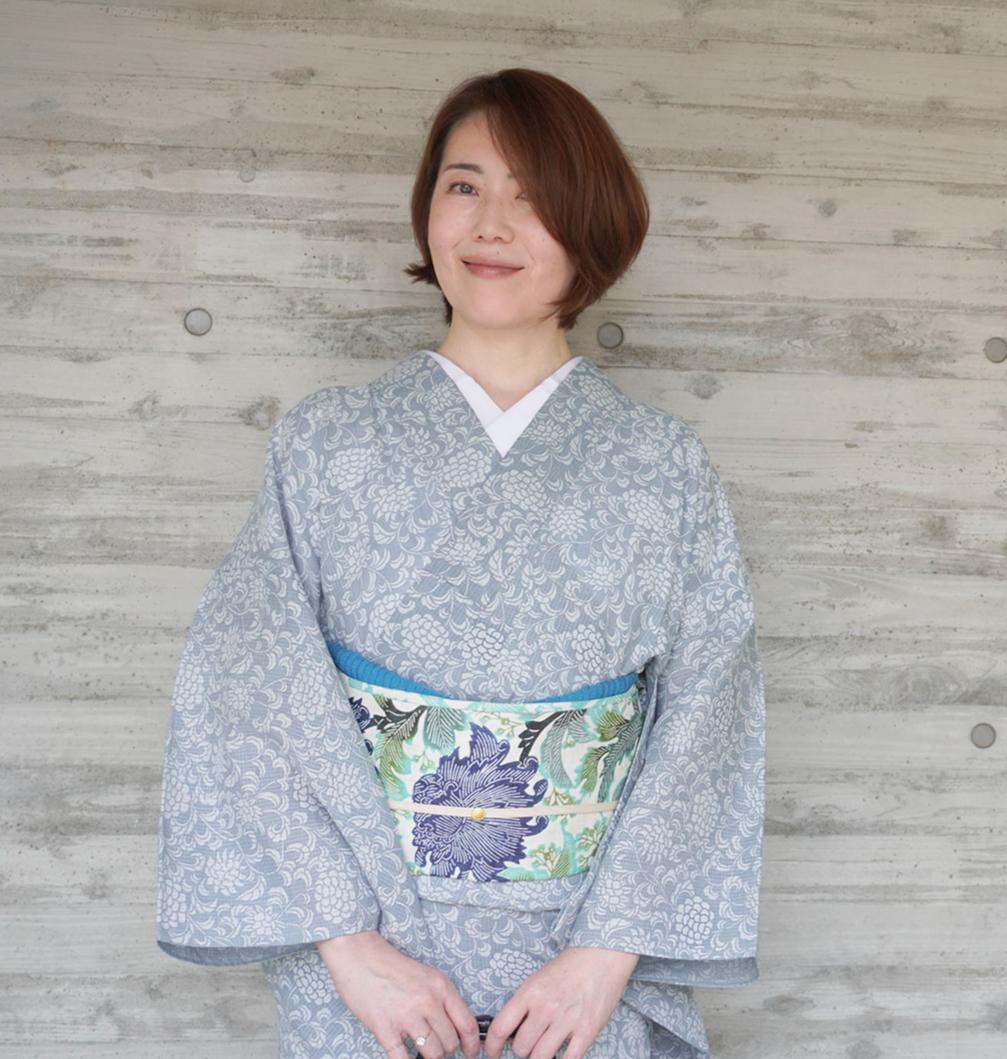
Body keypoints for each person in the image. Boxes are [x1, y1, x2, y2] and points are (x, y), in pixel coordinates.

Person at [155, 68, 765, 1059]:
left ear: (592, 225)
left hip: (579, 973)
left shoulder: (663, 465)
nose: (490, 225)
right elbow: (245, 692)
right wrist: (351, 947)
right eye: (464, 185)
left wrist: (605, 954)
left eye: (533, 197)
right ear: (427, 207)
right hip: (374, 959)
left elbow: (710, 722)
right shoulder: (325, 443)